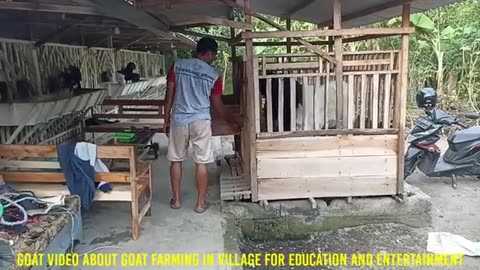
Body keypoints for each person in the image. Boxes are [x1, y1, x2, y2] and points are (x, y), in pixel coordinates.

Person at [164, 37, 240, 213]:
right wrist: (231, 121)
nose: (213, 58)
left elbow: (169, 95)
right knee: (201, 163)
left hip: (180, 120)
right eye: (213, 55)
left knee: (176, 160)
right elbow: (217, 105)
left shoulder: (177, 66)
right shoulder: (214, 75)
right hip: (201, 121)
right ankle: (200, 204)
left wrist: (166, 119)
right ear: (210, 53)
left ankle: (176, 200)